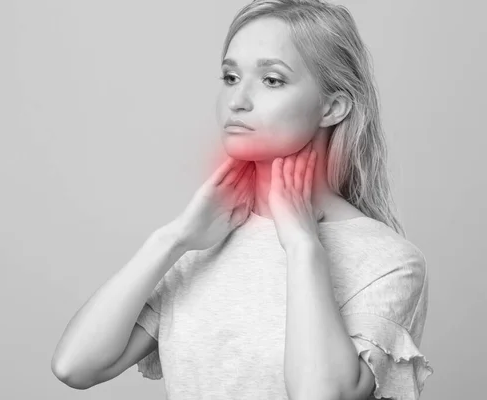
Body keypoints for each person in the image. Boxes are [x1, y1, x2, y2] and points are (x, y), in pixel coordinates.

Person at [51, 1, 434, 399]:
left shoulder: (389, 262)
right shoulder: (204, 241)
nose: (238, 100)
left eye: (271, 80)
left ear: (333, 107)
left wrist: (303, 246)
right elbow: (75, 366)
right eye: (231, 77)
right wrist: (174, 238)